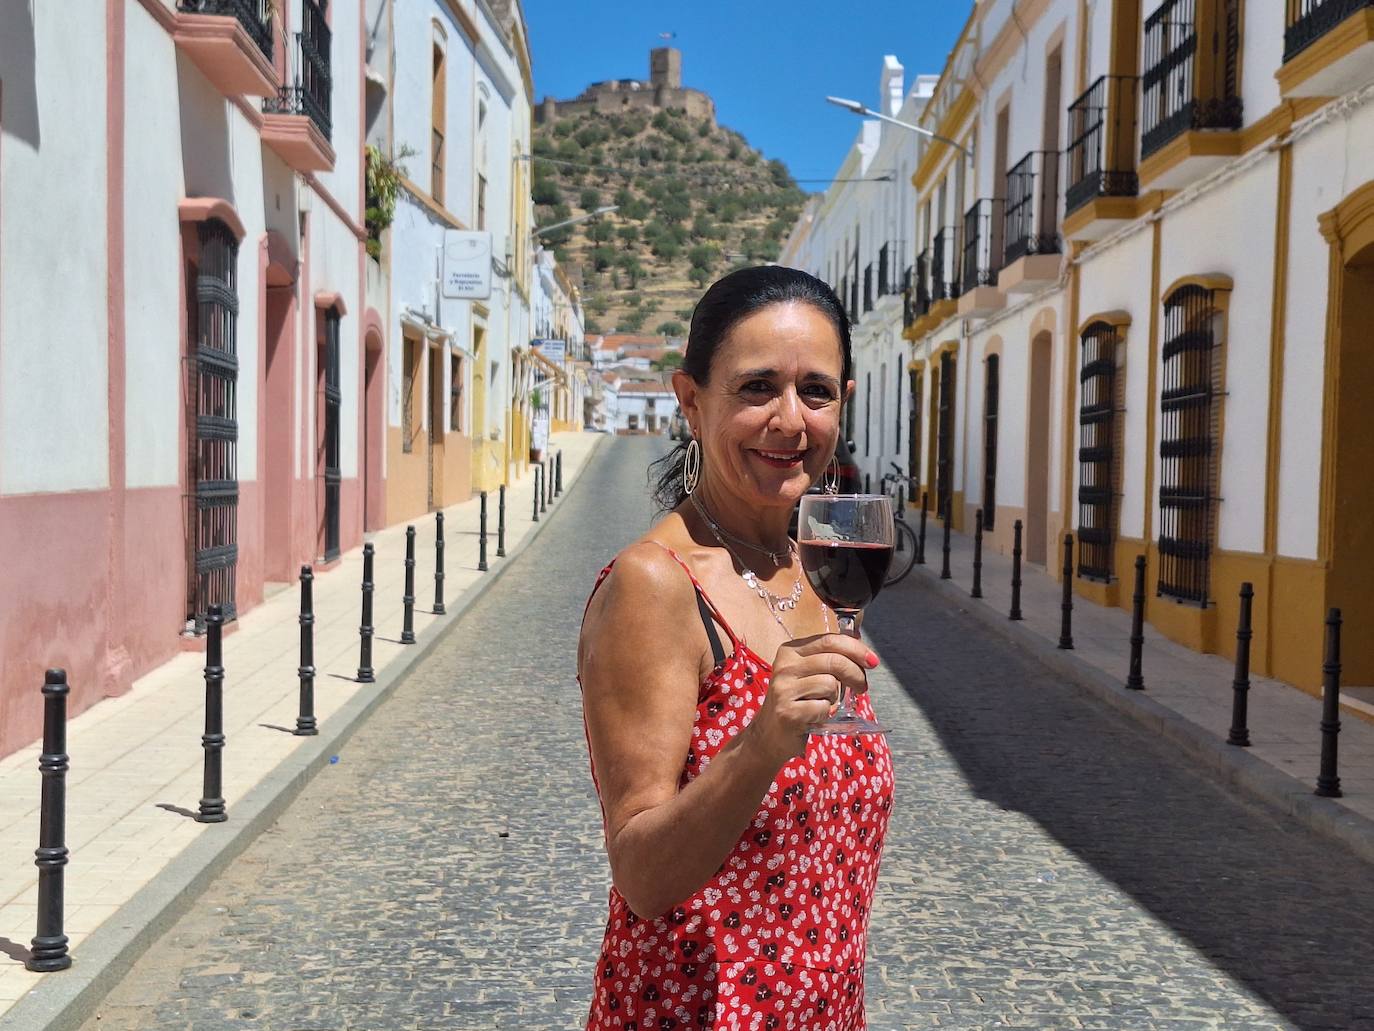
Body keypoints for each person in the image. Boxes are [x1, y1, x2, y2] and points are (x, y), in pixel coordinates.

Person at [577, 266, 894, 1029]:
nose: (790, 420)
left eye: (815, 391)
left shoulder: (812, 569)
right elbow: (643, 874)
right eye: (757, 388)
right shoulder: (656, 585)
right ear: (692, 401)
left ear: (842, 404)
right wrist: (759, 747)